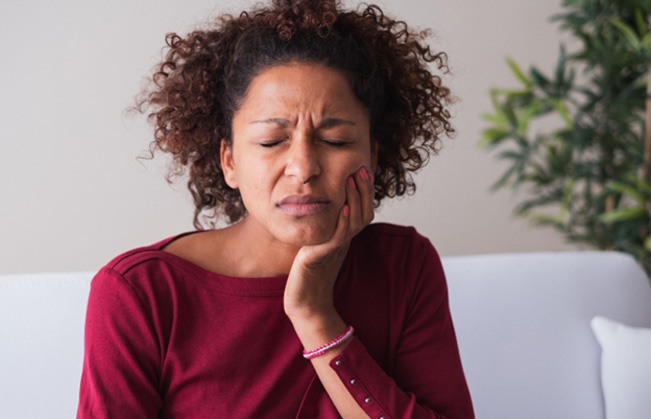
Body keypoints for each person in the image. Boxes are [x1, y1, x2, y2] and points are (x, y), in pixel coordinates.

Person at [77, 0, 474, 417]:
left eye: (335, 141)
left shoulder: (402, 266)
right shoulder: (142, 294)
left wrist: (315, 314)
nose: (303, 169)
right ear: (229, 161)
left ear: (372, 157)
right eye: (271, 142)